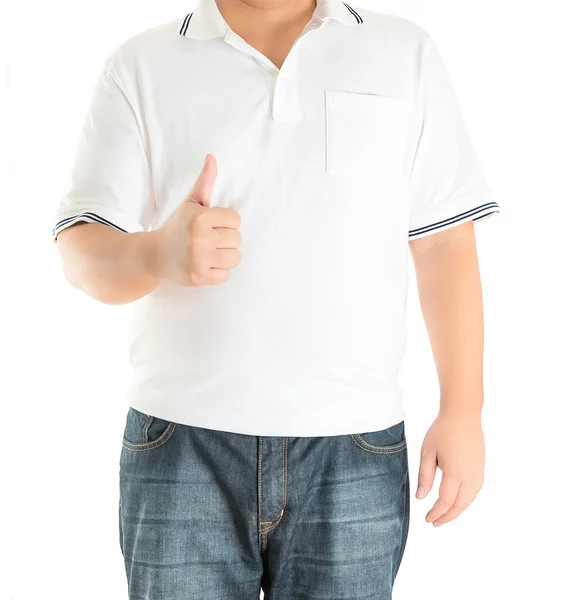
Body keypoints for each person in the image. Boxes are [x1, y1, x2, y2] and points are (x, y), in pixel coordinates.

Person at [52, 0, 500, 597]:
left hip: (354, 443)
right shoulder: (141, 64)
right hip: (183, 440)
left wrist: (463, 409)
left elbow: (444, 242)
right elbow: (82, 249)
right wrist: (157, 253)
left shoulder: (403, 52)